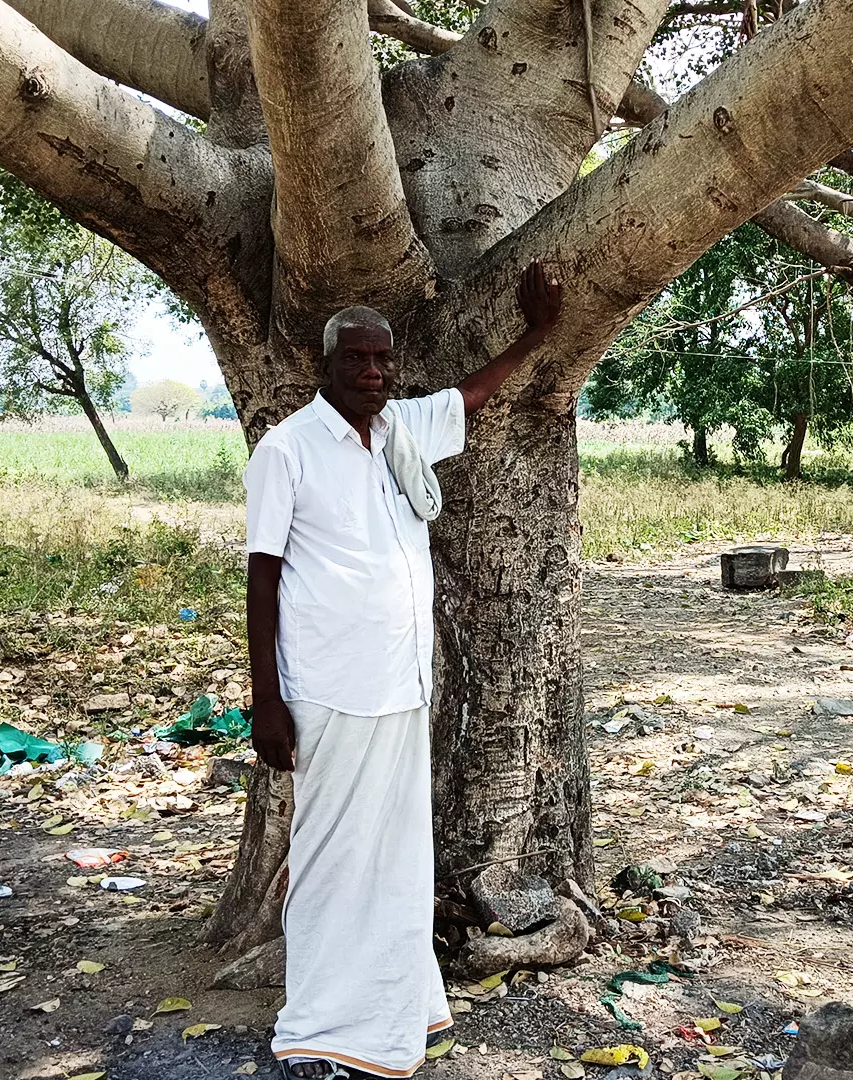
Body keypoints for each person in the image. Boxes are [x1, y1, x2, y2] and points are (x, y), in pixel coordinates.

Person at [242, 262, 563, 1079]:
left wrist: (537, 333)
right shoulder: (288, 451)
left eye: (383, 359)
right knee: (327, 858)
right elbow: (262, 576)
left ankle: (402, 1006)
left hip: (401, 685)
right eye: (357, 359)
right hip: (329, 690)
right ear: (326, 366)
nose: (374, 372)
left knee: (397, 856)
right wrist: (266, 703)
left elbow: (471, 395)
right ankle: (315, 1025)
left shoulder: (399, 431)